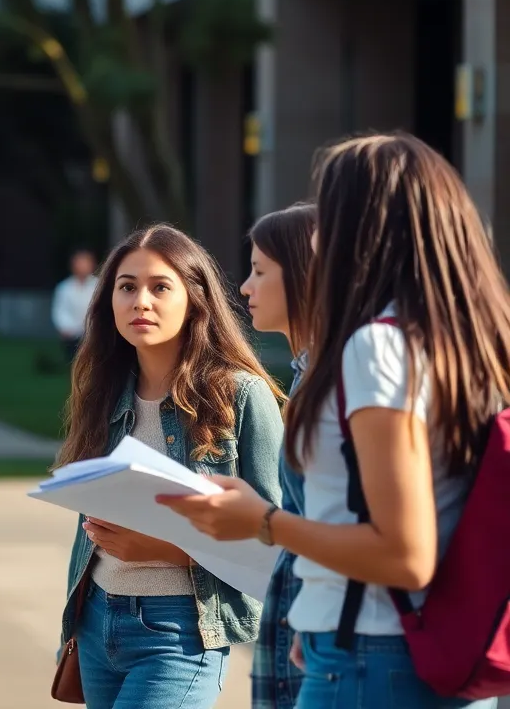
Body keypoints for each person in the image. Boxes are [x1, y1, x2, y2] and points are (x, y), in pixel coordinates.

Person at [158, 132, 507, 709]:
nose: (317, 234)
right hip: (410, 649)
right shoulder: (462, 345)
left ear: (363, 229)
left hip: (372, 658)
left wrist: (262, 520)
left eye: (329, 212)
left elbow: (405, 554)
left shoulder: (377, 347)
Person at [57, 223, 284, 708]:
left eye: (160, 287)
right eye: (127, 287)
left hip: (181, 632)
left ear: (195, 299)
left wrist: (166, 549)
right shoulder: (102, 392)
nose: (141, 301)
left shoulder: (241, 395)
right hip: (96, 622)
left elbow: (276, 542)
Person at [237, 203, 316, 709]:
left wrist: (256, 518)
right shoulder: (307, 373)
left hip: (317, 623)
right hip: (299, 611)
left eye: (260, 271)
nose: (245, 287)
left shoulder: (334, 379)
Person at [52, 249, 97, 362]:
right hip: (72, 335)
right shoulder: (64, 288)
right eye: (79, 263)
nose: (82, 266)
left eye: (85, 262)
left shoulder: (98, 285)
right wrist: (65, 328)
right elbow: (60, 311)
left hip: (94, 333)